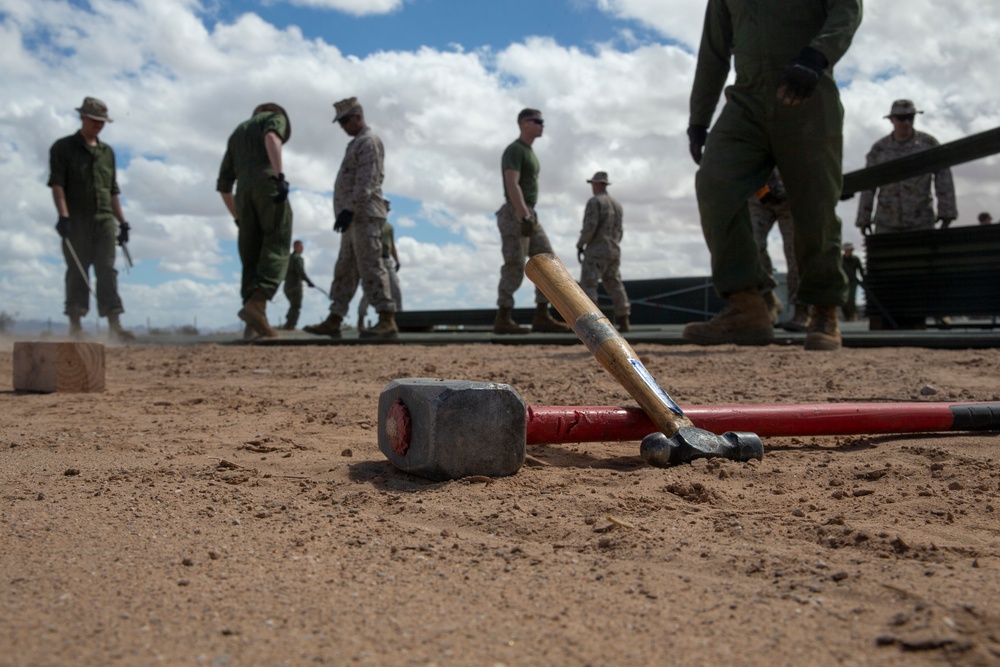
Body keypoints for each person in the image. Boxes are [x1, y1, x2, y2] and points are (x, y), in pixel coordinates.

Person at [683, 0, 861, 352]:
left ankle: (824, 309)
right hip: (746, 99)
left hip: (805, 91)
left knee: (815, 204)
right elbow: (714, 51)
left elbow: (847, 9)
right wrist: (699, 119)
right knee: (715, 182)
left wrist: (818, 55)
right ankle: (747, 306)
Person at [304, 97, 397, 339]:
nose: (342, 126)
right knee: (345, 269)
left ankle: (387, 319)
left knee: (371, 265)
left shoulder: (369, 142)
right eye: (340, 122)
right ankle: (334, 318)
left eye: (345, 120)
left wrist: (349, 209)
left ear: (357, 116)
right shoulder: (356, 143)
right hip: (354, 217)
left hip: (364, 215)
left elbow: (367, 180)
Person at [48, 96, 134, 341]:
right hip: (76, 220)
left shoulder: (108, 153)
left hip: (105, 219)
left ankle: (114, 324)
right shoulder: (62, 148)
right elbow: (57, 184)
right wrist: (63, 216)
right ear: (83, 117)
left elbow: (113, 190)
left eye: (103, 121)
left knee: (107, 269)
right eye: (95, 120)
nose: (99, 125)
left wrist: (123, 222)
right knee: (77, 270)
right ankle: (76, 325)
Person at [217, 102, 293, 340]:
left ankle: (253, 325)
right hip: (265, 182)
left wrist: (237, 216)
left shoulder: (237, 132)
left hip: (243, 192)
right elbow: (271, 137)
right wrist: (279, 176)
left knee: (251, 255)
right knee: (277, 244)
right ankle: (257, 306)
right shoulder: (274, 117)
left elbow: (223, 186)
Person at [492, 108, 571, 335]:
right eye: (537, 121)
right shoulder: (515, 150)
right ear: (524, 123)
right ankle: (503, 317)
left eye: (542, 121)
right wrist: (524, 214)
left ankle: (542, 315)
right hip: (516, 213)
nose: (542, 125)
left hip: (529, 213)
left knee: (547, 261)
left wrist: (529, 215)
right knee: (515, 264)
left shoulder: (529, 153)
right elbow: (512, 183)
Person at [856, 100, 957, 235]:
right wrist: (864, 218)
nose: (906, 123)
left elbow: (944, 178)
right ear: (892, 120)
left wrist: (947, 212)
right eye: (901, 118)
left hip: (921, 221)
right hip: (886, 222)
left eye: (910, 118)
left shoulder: (928, 144)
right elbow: (868, 185)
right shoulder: (880, 149)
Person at [748, 168, 808, 332]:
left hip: (793, 192)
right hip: (758, 194)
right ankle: (768, 300)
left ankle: (801, 311)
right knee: (752, 244)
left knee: (795, 251)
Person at [576, 171, 630, 332]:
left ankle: (593, 323)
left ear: (598, 184)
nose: (592, 187)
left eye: (593, 183)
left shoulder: (595, 202)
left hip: (597, 249)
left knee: (589, 284)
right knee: (614, 283)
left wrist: (581, 244)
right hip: (613, 249)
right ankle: (624, 318)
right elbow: (620, 230)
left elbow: (589, 227)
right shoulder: (617, 205)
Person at [357, 214, 402, 329]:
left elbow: (391, 244)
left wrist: (397, 260)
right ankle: (361, 318)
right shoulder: (370, 225)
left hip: (387, 260)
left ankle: (398, 320)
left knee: (395, 288)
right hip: (373, 259)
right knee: (370, 291)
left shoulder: (389, 227)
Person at [282, 239, 315, 330]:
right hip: (295, 286)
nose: (302, 249)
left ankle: (288, 324)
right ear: (296, 247)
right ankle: (290, 325)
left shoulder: (287, 258)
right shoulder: (298, 258)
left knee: (293, 306)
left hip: (287, 286)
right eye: (301, 247)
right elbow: (301, 272)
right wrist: (309, 282)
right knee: (296, 306)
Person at [841, 242, 866, 321]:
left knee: (851, 299)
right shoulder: (841, 260)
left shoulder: (855, 259)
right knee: (843, 300)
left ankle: (853, 315)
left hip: (852, 281)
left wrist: (864, 280)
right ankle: (847, 316)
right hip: (843, 281)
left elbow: (861, 270)